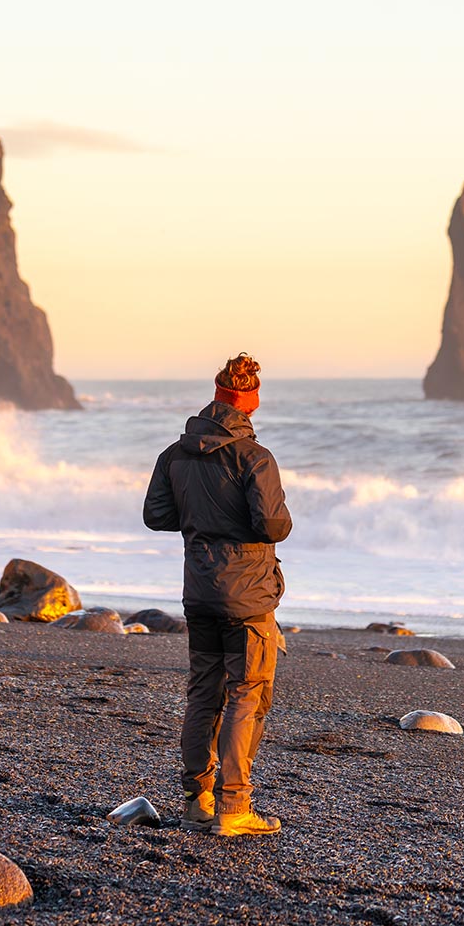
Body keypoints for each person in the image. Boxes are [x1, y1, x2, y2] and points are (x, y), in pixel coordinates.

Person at [143, 353, 292, 837]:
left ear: (216, 397)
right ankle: (234, 808)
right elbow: (274, 525)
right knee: (248, 695)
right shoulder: (254, 457)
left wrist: (202, 518)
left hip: (200, 590)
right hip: (247, 596)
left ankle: (197, 800)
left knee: (204, 693)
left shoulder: (175, 454)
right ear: (250, 401)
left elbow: (156, 515)